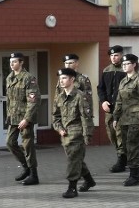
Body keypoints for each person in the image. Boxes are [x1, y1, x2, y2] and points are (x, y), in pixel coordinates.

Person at [52, 68, 94, 198]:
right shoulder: (59, 97)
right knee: (76, 160)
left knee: (73, 160)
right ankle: (89, 180)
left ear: (72, 79)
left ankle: (72, 187)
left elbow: (86, 117)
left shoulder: (80, 96)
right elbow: (55, 116)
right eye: (60, 78)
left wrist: (87, 135)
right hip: (65, 135)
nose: (61, 81)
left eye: (64, 78)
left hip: (77, 133)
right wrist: (59, 128)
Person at [112, 54, 139, 186]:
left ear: (134, 65)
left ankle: (134, 175)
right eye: (123, 64)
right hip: (124, 119)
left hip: (136, 118)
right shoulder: (123, 81)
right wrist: (115, 117)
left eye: (127, 63)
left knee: (132, 147)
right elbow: (118, 101)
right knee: (127, 148)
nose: (124, 66)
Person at [5, 52, 41, 185]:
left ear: (21, 62)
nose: (11, 64)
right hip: (13, 118)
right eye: (10, 62)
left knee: (28, 145)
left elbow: (34, 100)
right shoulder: (9, 78)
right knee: (9, 142)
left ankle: (34, 175)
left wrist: (27, 119)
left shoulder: (28, 78)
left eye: (14, 61)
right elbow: (9, 100)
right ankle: (25, 167)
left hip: (25, 118)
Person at [97, 45, 126, 172]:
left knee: (120, 133)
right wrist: (103, 101)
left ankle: (122, 160)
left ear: (121, 55)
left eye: (116, 55)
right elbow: (100, 88)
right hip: (109, 108)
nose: (114, 58)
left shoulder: (125, 69)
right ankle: (122, 155)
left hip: (122, 109)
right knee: (111, 134)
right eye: (112, 56)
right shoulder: (107, 70)